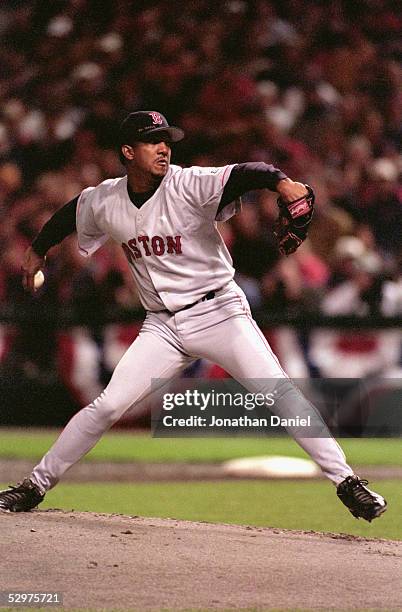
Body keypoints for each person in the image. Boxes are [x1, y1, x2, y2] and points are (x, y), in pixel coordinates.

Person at [0, 111, 386, 522]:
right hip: (162, 326)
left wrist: (282, 182)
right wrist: (37, 250)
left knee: (279, 392)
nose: (164, 147)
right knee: (108, 406)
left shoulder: (188, 183)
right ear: (128, 152)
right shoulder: (105, 198)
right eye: (152, 141)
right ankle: (33, 486)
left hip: (219, 310)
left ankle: (347, 482)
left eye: (167, 139)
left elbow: (246, 172)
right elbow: (71, 212)